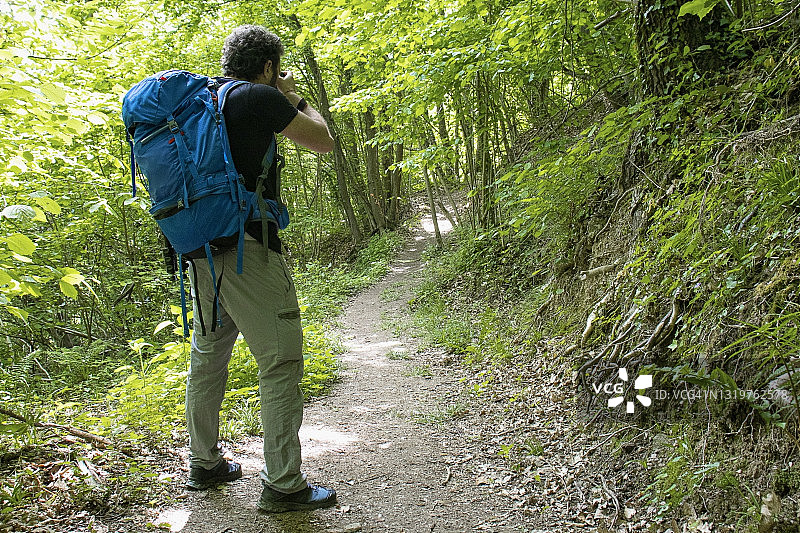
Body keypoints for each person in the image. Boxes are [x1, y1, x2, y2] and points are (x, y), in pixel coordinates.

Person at [182, 24, 336, 513]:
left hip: (200, 250)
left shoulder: (203, 102)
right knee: (280, 360)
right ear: (268, 65)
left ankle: (204, 463)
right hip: (249, 250)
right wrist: (296, 99)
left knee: (208, 355)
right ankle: (284, 484)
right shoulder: (258, 97)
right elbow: (322, 140)